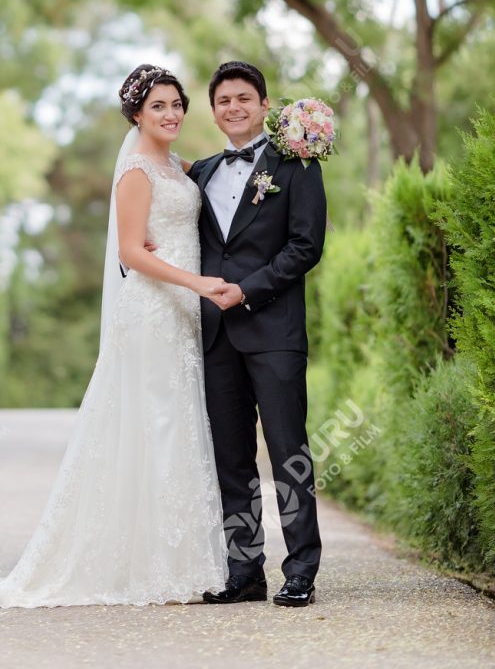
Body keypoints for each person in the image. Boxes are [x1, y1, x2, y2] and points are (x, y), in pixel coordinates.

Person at [0, 64, 235, 609]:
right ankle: (141, 565)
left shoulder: (178, 166)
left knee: (176, 423)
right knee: (152, 421)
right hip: (152, 308)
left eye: (177, 104)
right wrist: (197, 282)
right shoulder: (135, 171)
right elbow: (131, 252)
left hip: (180, 311)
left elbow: (215, 184)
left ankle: (179, 559)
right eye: (158, 106)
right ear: (135, 114)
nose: (171, 114)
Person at [187, 61, 327, 608]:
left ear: (265, 106)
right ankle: (245, 571)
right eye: (224, 100)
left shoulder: (297, 164)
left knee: (289, 452)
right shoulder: (200, 172)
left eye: (244, 98)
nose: (234, 108)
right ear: (215, 110)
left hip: (274, 331)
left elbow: (305, 246)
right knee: (232, 458)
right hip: (216, 334)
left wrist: (247, 290)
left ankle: (301, 571)